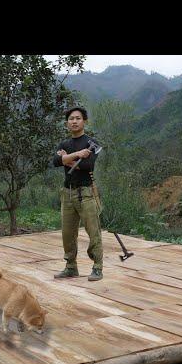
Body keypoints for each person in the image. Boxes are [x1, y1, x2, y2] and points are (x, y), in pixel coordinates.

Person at [50, 106, 103, 281]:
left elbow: (88, 166)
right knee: (68, 232)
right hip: (68, 192)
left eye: (78, 118)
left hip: (86, 192)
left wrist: (67, 158)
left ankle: (97, 267)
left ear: (84, 121)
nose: (74, 121)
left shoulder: (91, 143)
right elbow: (55, 161)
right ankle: (71, 267)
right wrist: (78, 155)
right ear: (67, 123)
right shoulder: (64, 144)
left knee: (93, 230)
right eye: (71, 119)